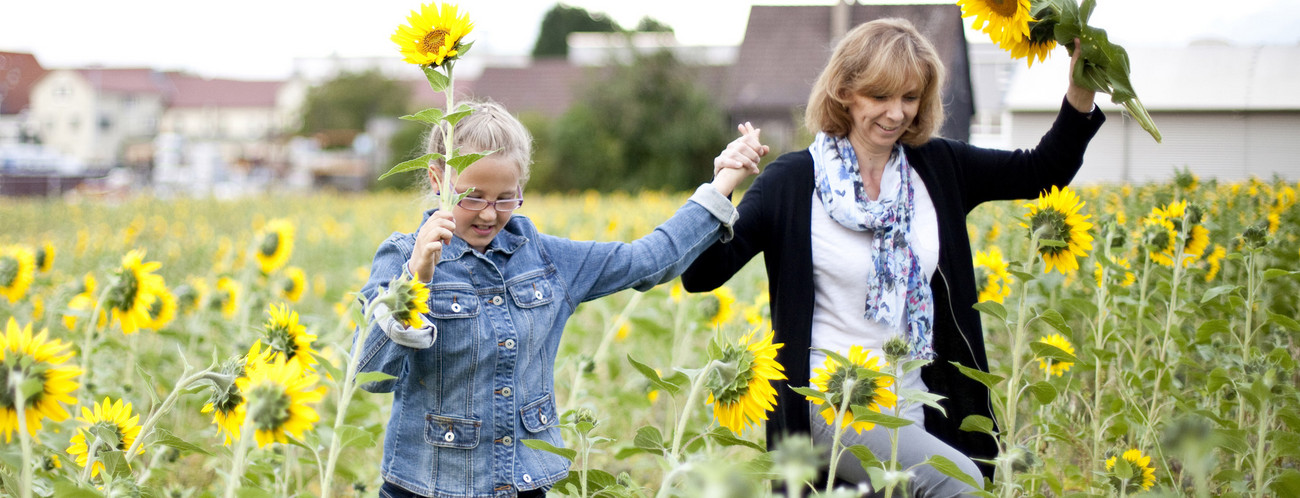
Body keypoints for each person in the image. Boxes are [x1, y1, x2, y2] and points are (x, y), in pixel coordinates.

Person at [683, 18, 1104, 496]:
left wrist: (1079, 93)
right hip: (830, 401)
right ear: (845, 92)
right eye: (879, 97)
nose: (896, 114)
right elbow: (701, 273)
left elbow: (1038, 172)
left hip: (911, 397)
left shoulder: (938, 167)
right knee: (961, 483)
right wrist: (721, 185)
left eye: (910, 98)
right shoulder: (793, 182)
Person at [353, 100, 767, 498]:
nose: (488, 214)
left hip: (524, 485)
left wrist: (724, 181)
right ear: (436, 180)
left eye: (506, 199)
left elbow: (649, 259)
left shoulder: (547, 259)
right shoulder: (402, 255)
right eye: (472, 196)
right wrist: (417, 278)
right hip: (427, 488)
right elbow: (372, 372)